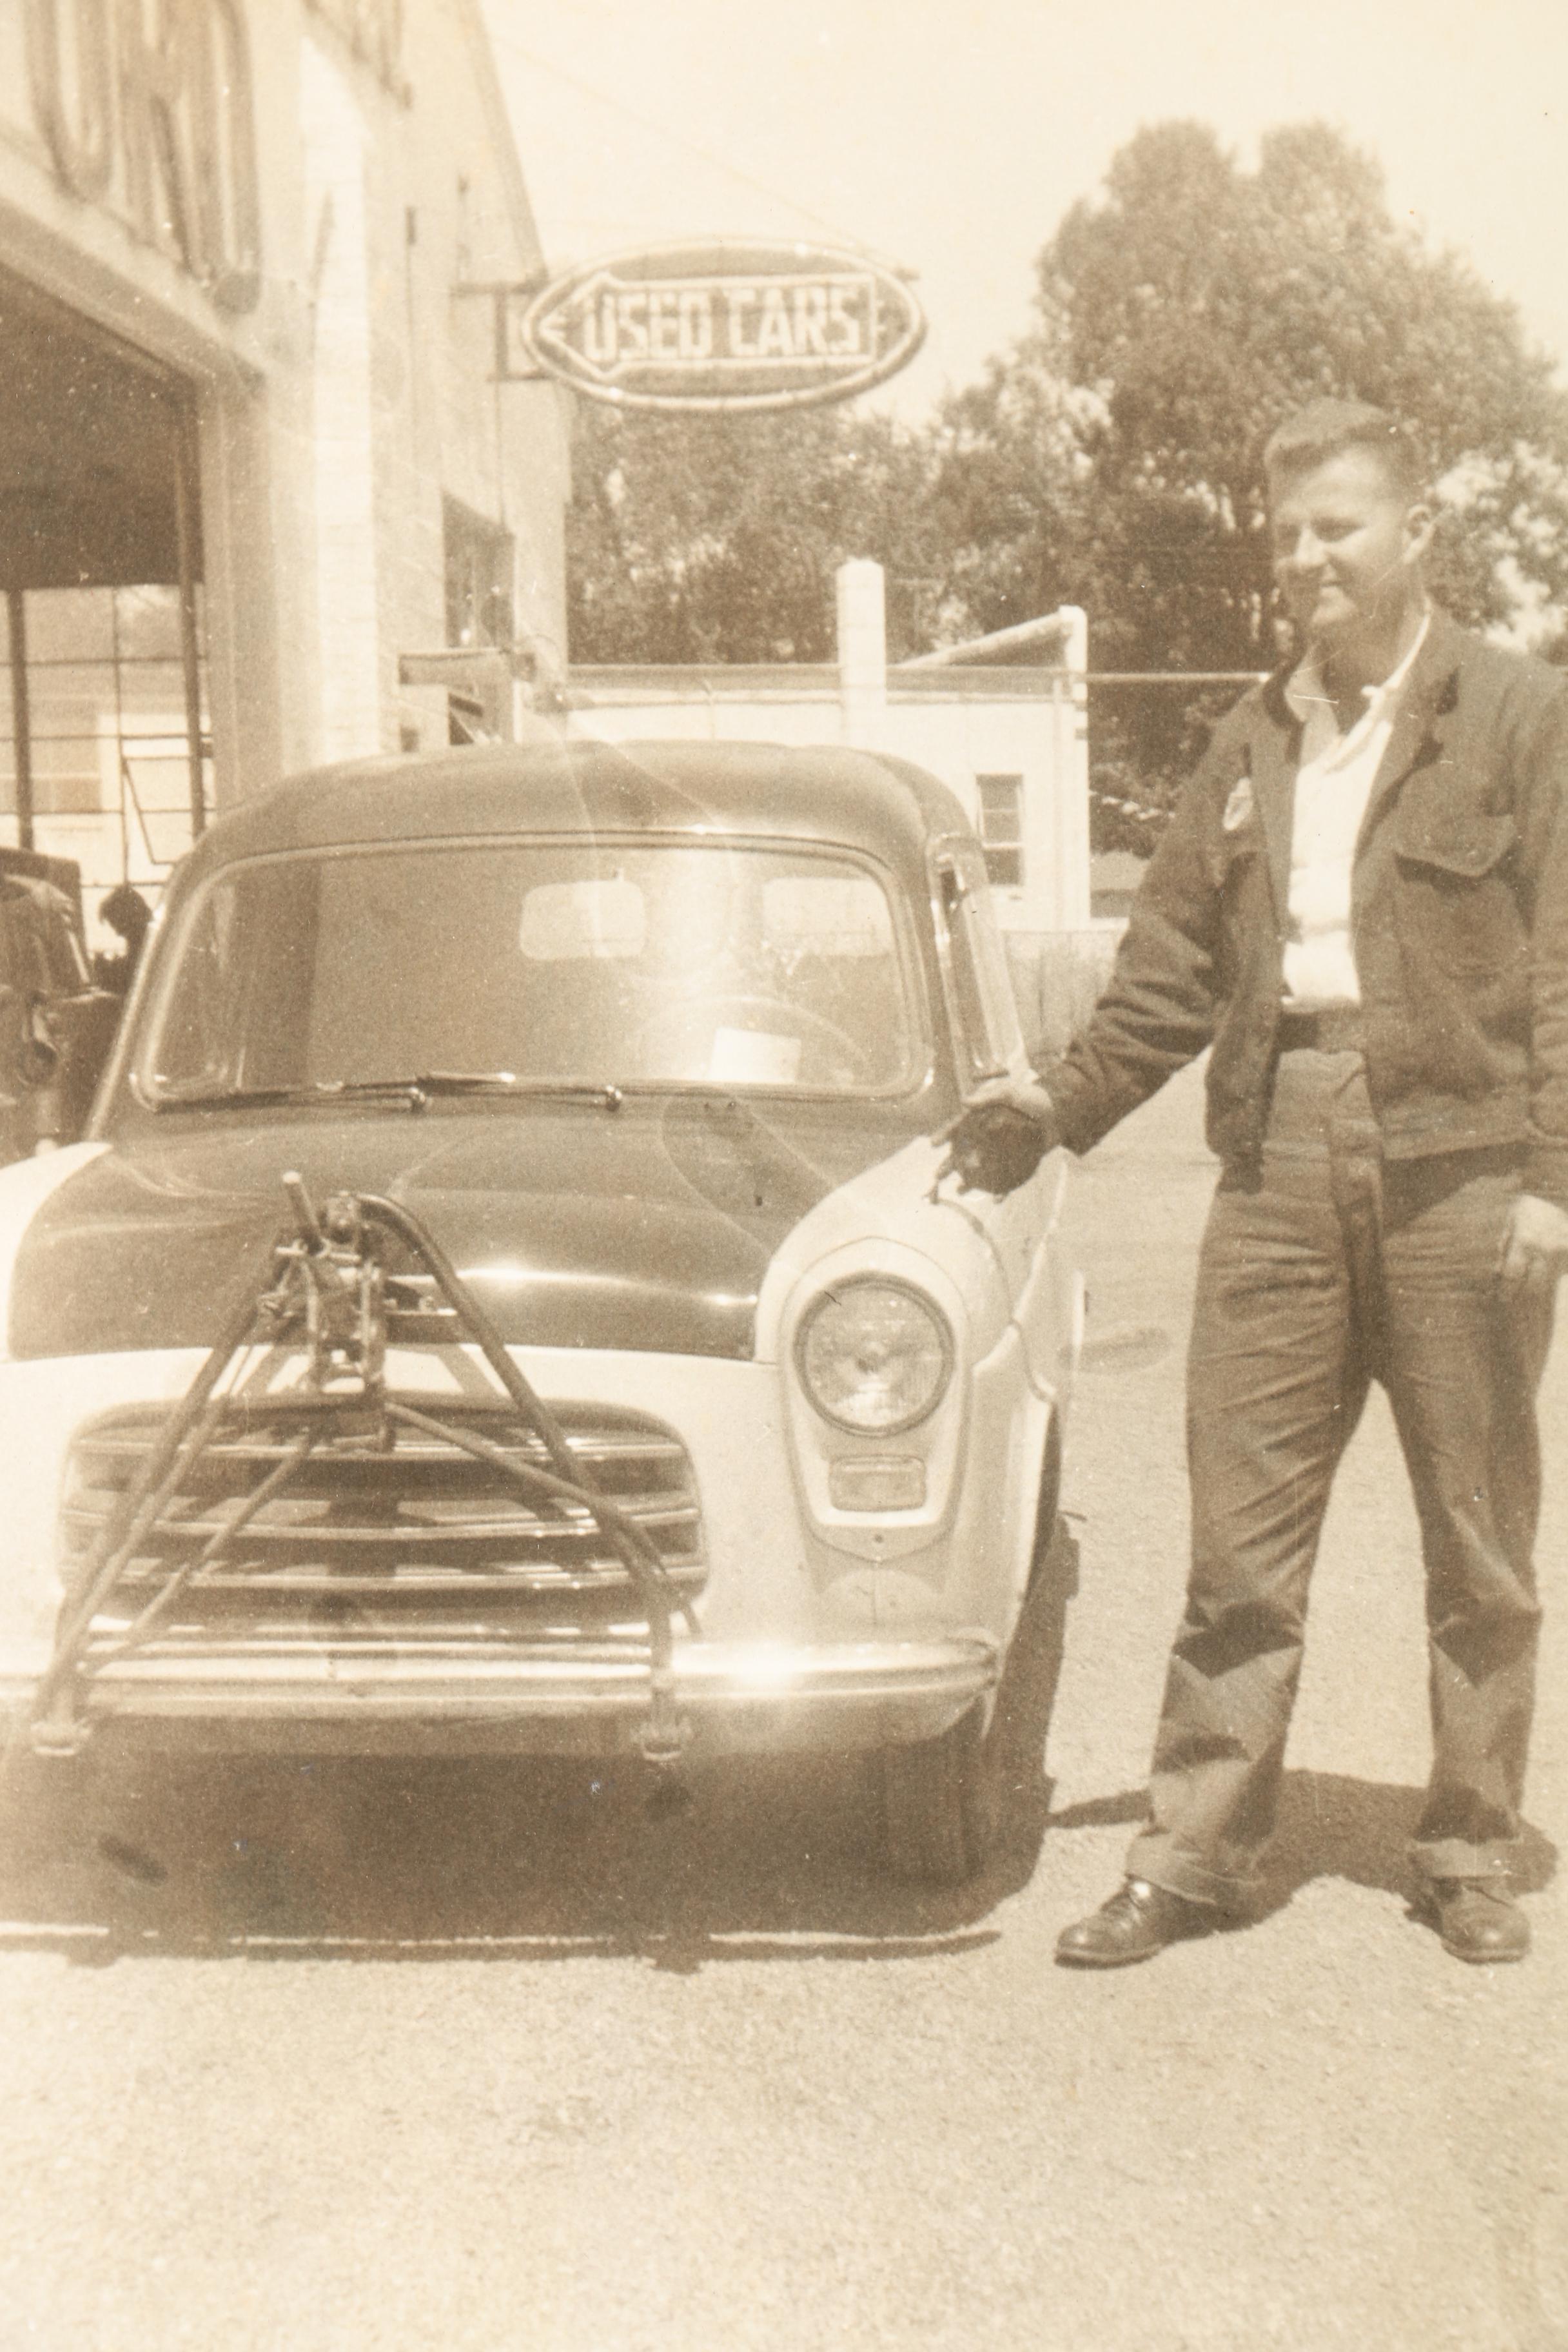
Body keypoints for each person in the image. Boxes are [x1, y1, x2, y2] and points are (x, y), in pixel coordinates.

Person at [943, 397, 1568, 1967]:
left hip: (1461, 1163)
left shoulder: (1516, 716)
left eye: (1337, 527)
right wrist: (1057, 1105)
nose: (1305, 560)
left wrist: (1552, 1182)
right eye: (1285, 534)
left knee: (1478, 1540)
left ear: (1415, 531)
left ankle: (1471, 1845)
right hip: (1277, 1146)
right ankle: (1198, 1850)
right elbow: (1164, 976)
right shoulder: (1247, 739)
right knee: (1240, 1538)